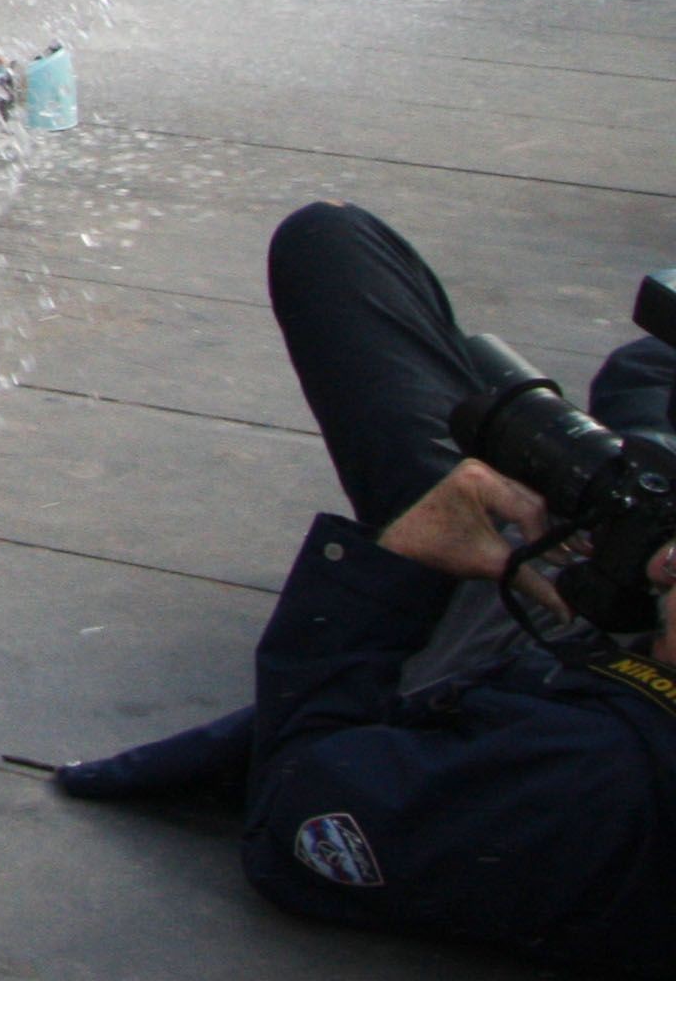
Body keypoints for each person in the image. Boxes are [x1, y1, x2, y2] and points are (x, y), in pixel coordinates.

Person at [53, 204, 676, 974]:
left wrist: (399, 564)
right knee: (647, 370)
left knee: (331, 243)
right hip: (602, 618)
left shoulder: (587, 778)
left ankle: (492, 492)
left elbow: (300, 820)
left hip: (519, 618)